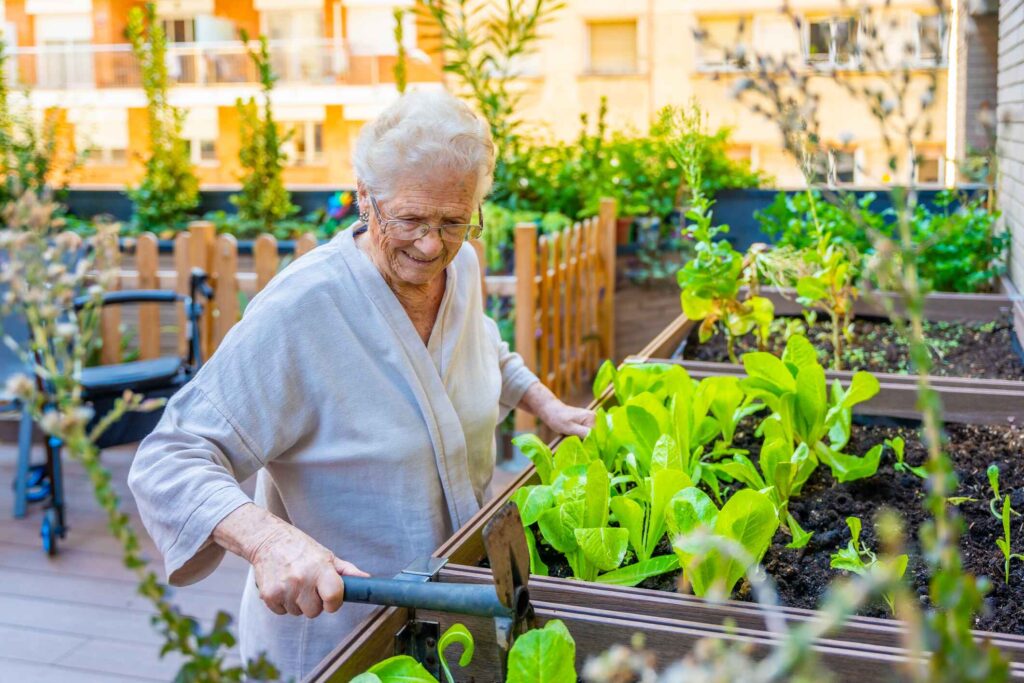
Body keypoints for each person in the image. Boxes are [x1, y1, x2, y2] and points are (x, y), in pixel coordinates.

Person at [127, 90, 594, 680]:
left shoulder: (461, 267)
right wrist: (268, 541)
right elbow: (170, 457)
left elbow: (481, 348)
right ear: (363, 199)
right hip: (336, 635)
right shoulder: (302, 309)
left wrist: (546, 404)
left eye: (454, 221)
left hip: (450, 622)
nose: (432, 245)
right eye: (410, 220)